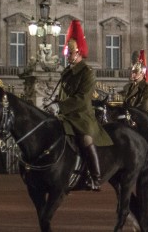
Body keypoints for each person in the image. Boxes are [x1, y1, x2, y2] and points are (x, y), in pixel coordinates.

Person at [56, 20, 113, 191]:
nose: (68, 55)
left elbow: (82, 98)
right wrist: (55, 105)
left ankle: (95, 177)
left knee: (85, 138)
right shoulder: (66, 72)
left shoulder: (87, 73)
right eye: (67, 52)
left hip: (82, 116)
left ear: (79, 53)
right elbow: (62, 95)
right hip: (65, 115)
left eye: (71, 52)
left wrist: (62, 106)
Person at [123, 50, 148, 114]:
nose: (133, 74)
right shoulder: (130, 87)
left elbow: (144, 107)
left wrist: (129, 112)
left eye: (136, 72)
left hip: (142, 119)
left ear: (142, 73)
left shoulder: (147, 87)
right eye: (133, 72)